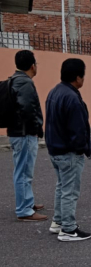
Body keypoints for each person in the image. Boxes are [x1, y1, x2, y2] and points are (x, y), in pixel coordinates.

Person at [45, 58, 91, 241]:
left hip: (55, 149)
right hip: (68, 151)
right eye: (83, 76)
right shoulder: (71, 97)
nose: (84, 80)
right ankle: (68, 229)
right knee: (69, 191)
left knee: (61, 187)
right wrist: (81, 148)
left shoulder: (55, 91)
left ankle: (58, 222)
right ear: (78, 77)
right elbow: (78, 129)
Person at [8, 50, 47, 222]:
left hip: (17, 132)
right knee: (23, 171)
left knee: (24, 170)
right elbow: (27, 109)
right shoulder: (25, 83)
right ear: (32, 66)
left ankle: (27, 202)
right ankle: (24, 210)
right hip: (24, 133)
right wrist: (37, 127)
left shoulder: (15, 80)